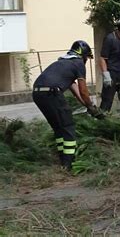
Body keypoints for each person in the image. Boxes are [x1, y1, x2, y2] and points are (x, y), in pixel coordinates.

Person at [32, 40, 104, 170]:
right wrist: (92, 107)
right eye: (87, 57)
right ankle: (69, 164)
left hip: (38, 93)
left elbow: (77, 92)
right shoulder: (78, 64)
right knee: (68, 126)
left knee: (58, 128)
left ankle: (62, 160)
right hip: (52, 93)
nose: (86, 60)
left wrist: (89, 107)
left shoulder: (62, 63)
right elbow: (83, 91)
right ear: (83, 55)